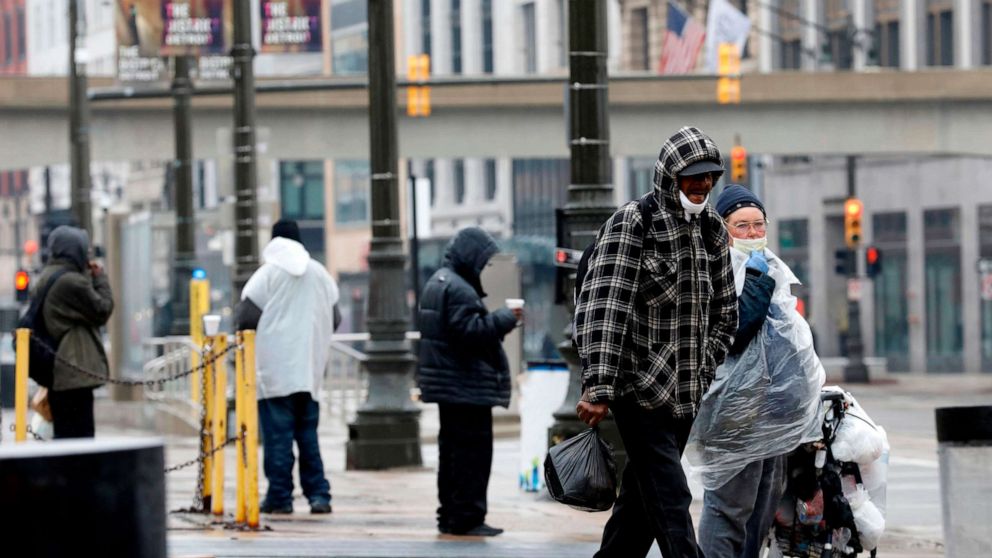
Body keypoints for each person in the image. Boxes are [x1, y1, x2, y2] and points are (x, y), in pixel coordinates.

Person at [574, 126, 739, 558]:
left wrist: (705, 367)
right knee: (670, 497)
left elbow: (725, 313)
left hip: (685, 394)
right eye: (692, 176)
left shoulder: (714, 233)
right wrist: (600, 385)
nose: (702, 185)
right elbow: (604, 307)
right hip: (637, 391)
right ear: (670, 176)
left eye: (708, 176)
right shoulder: (634, 223)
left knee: (640, 507)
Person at [694, 185, 824, 558]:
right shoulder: (713, 269)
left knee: (761, 513)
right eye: (741, 226)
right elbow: (734, 334)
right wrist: (756, 281)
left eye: (758, 225)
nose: (752, 235)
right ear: (721, 229)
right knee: (728, 511)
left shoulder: (768, 268)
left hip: (771, 416)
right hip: (731, 418)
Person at [417, 227, 523, 537]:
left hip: (450, 386)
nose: (483, 266)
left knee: (451, 454)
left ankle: (450, 514)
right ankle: (467, 517)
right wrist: (506, 317)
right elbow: (470, 333)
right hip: (466, 387)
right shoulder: (459, 288)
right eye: (482, 259)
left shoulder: (438, 281)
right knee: (472, 456)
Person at [237, 219, 341, 515]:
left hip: (274, 372)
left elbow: (245, 318)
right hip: (309, 370)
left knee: (278, 437)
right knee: (308, 436)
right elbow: (335, 317)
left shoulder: (266, 274)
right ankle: (319, 495)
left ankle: (280, 497)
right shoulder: (320, 273)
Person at [38, 225, 114, 439]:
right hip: (73, 371)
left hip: (60, 370)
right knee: (80, 436)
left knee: (66, 436)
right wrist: (99, 277)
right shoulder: (70, 282)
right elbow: (102, 309)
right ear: (75, 251)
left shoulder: (49, 275)